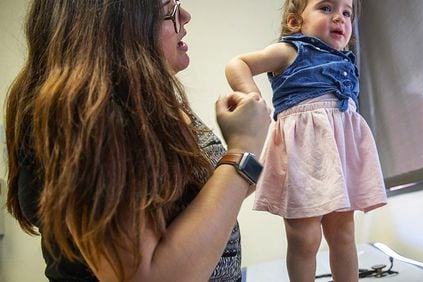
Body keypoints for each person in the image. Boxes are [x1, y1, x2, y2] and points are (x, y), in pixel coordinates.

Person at [4, 0, 270, 281]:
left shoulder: (153, 101)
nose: (186, 17)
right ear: (120, 27)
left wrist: (256, 145)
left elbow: (207, 198)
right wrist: (241, 150)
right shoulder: (92, 114)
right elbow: (149, 275)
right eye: (170, 11)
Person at [225, 0, 387, 281]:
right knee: (305, 237)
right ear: (294, 22)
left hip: (339, 151)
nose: (340, 18)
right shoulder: (290, 50)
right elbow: (237, 64)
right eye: (326, 8)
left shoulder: (346, 60)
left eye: (346, 13)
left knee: (344, 233)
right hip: (303, 151)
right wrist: (254, 99)